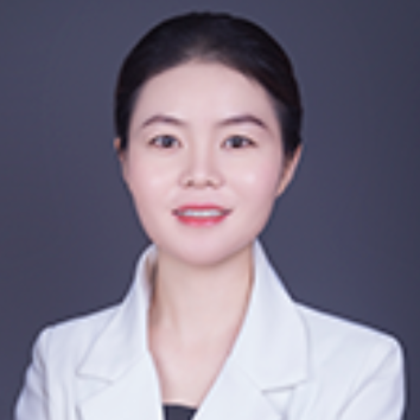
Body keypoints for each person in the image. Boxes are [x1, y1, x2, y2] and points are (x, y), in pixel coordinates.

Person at [15, 12, 405, 420]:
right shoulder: (60, 360)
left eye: (236, 142)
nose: (200, 174)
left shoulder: (359, 370)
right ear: (125, 161)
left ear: (287, 165)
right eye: (166, 141)